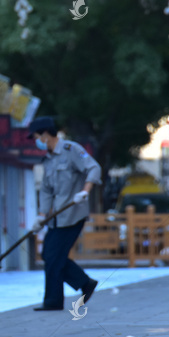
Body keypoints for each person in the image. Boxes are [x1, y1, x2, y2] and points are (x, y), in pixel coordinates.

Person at [28, 117, 102, 311]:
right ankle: (84, 283)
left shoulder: (72, 150)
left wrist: (85, 192)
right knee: (50, 254)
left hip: (73, 213)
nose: (36, 141)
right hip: (56, 218)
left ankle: (56, 299)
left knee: (52, 255)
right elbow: (45, 190)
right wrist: (41, 216)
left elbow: (94, 168)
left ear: (45, 134)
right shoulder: (48, 159)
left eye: (36, 137)